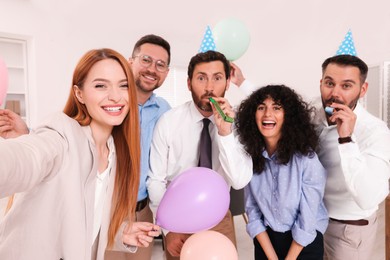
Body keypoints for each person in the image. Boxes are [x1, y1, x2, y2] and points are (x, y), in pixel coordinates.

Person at [0, 34, 171, 260]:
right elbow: (26, 159)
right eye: (101, 85)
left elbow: (84, 218)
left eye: (123, 86)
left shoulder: (113, 151)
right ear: (79, 93)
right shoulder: (62, 133)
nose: (115, 96)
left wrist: (120, 233)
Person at [146, 50, 253, 260]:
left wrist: (225, 134)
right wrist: (168, 229)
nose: (209, 87)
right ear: (188, 83)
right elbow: (156, 180)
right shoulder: (168, 122)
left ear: (228, 83)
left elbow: (239, 181)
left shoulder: (239, 125)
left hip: (219, 217)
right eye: (201, 78)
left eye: (217, 78)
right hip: (178, 218)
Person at [235, 85, 328, 259]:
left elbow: (307, 221)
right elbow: (253, 212)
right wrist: (271, 256)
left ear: (289, 116)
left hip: (304, 243)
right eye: (261, 107)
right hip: (266, 241)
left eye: (276, 108)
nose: (267, 114)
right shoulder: (249, 159)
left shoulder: (306, 160)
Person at [312, 54, 390, 259]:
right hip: (313, 221)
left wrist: (346, 139)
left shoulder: (375, 132)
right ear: (321, 83)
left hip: (349, 232)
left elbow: (368, 198)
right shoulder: (315, 114)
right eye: (329, 83)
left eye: (346, 86)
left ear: (362, 90)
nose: (334, 93)